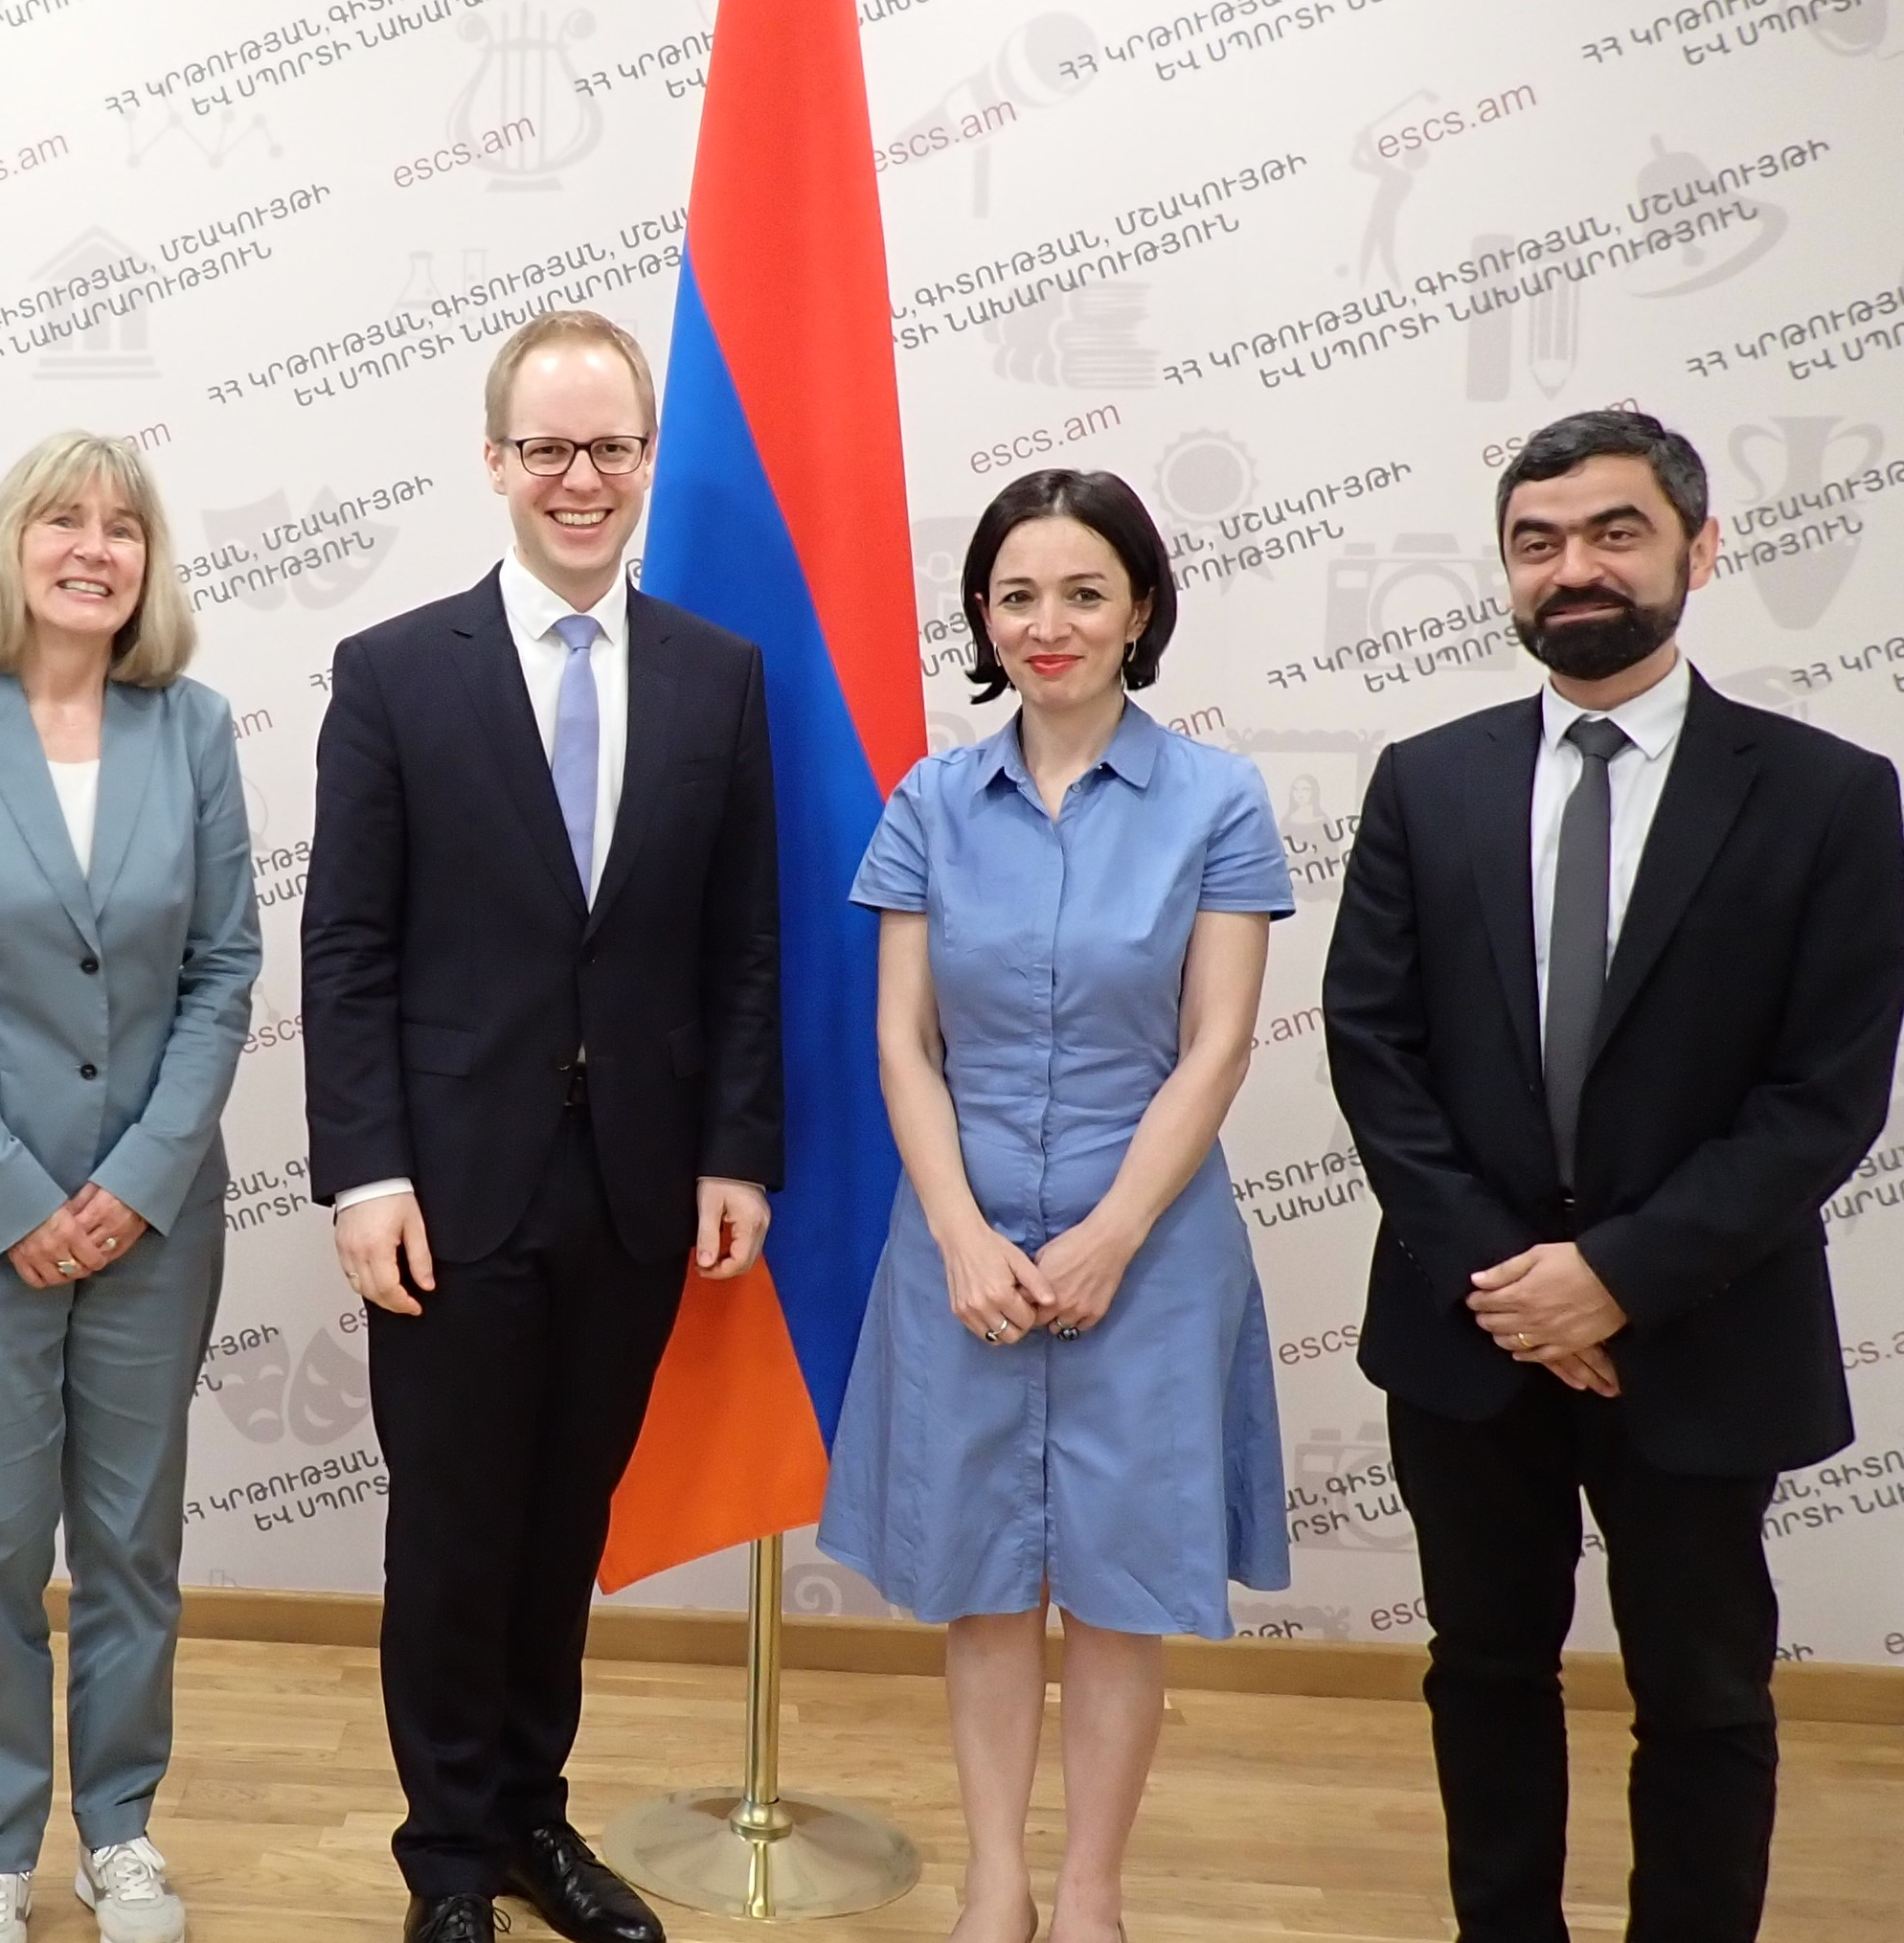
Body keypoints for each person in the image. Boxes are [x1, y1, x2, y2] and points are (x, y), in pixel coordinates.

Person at [1324, 409, 1904, 1943]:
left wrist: (1615, 1276)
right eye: (1535, 542)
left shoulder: (1830, 798)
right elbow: (1374, 1053)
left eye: (1612, 532)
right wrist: (1520, 1291)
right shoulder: (1422, 783)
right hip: (1469, 1334)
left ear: (1696, 551)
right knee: (1487, 1669)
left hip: (1702, 1332)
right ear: (1505, 576)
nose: (1571, 567)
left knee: (1704, 1694)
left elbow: (1821, 1094)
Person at [305, 309, 781, 1943]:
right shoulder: (390, 675)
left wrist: (735, 1151)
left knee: (561, 1525)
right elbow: (347, 948)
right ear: (495, 460)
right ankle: (446, 1859)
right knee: (450, 1533)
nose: (581, 479)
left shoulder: (720, 678)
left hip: (636, 1190)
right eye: (549, 448)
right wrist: (361, 1173)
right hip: (443, 1190)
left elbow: (741, 945)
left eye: (612, 447)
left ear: (648, 459)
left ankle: (531, 1821)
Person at [815, 468, 1291, 1943]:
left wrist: (1105, 1237)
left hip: (1147, 1254)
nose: (1048, 623)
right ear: (980, 615)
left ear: (1139, 607)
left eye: (1083, 592)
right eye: (1015, 594)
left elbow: (1216, 1040)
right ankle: (993, 1887)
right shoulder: (930, 800)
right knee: (976, 1583)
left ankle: (1087, 1893)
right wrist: (960, 1232)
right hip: (954, 1248)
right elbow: (901, 1040)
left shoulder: (1216, 797)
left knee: (1118, 1588)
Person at [0, 431, 261, 1943]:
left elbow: (223, 971)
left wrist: (139, 1181)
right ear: (10, 547)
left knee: (132, 1540)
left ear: (148, 565)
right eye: (61, 521)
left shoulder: (195, 728)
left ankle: (124, 1836)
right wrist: (17, 1199)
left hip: (154, 1218)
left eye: (123, 527)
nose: (93, 547)